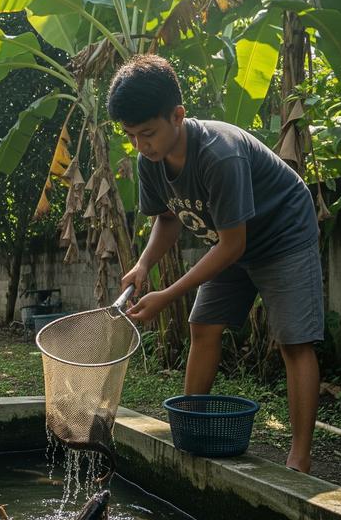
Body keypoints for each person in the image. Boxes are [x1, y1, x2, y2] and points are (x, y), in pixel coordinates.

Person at [110, 54, 324, 473]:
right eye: (131, 136)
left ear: (178, 115)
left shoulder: (220, 154)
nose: (141, 145)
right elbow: (167, 220)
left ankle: (299, 459)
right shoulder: (149, 161)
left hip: (283, 234)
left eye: (148, 133)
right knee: (202, 325)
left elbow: (231, 246)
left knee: (294, 342)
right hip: (231, 241)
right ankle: (190, 431)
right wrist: (143, 265)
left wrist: (168, 294)